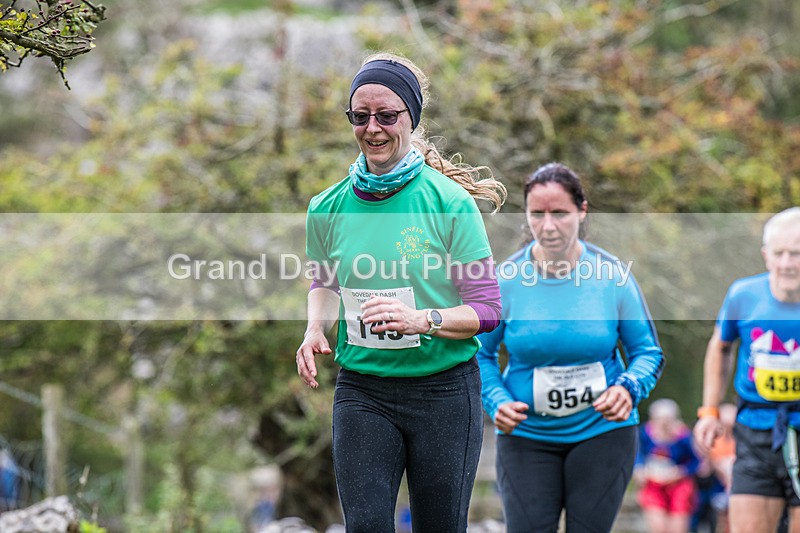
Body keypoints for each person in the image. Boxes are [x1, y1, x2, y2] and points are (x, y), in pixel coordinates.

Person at [295, 52, 507, 533]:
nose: (373, 128)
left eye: (387, 116)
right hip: (363, 390)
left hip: (444, 391)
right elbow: (324, 282)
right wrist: (313, 329)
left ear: (411, 118)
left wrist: (423, 320)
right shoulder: (326, 206)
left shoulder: (449, 203)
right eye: (360, 116)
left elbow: (488, 309)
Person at [476, 162, 665, 532]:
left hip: (603, 433)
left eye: (560, 213)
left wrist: (628, 388)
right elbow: (479, 355)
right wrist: (495, 400)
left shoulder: (612, 276)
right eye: (537, 214)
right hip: (527, 436)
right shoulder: (506, 281)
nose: (548, 226)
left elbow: (648, 354)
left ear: (582, 211)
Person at [693, 207, 800, 533]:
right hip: (754, 431)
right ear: (765, 255)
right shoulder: (744, 295)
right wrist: (709, 411)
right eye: (779, 253)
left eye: (796, 254)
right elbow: (720, 346)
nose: (786, 263)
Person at [634, 398, 700, 533]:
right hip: (654, 484)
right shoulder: (645, 433)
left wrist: (681, 471)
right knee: (659, 527)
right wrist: (640, 469)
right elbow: (637, 455)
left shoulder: (683, 436)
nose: (663, 424)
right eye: (659, 419)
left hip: (679, 486)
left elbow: (696, 461)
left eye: (667, 419)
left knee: (678, 528)